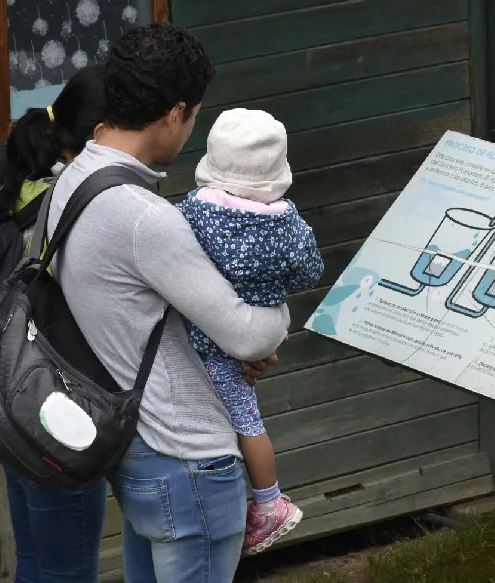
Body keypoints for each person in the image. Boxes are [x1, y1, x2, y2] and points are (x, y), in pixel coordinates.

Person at [42, 23, 289, 582]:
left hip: (136, 449)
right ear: (176, 112)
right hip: (188, 457)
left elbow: (129, 308)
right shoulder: (143, 216)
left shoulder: (72, 180)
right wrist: (275, 312)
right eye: (196, 114)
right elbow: (251, 334)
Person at [177, 108, 324, 555]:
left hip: (203, 340)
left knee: (242, 421)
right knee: (248, 418)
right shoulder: (287, 223)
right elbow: (309, 272)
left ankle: (270, 502)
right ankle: (266, 498)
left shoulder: (194, 214)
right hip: (263, 327)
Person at [0, 63, 113, 583]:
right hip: (56, 411)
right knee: (69, 573)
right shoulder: (70, 205)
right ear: (96, 136)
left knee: (35, 563)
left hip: (7, 401)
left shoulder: (8, 201)